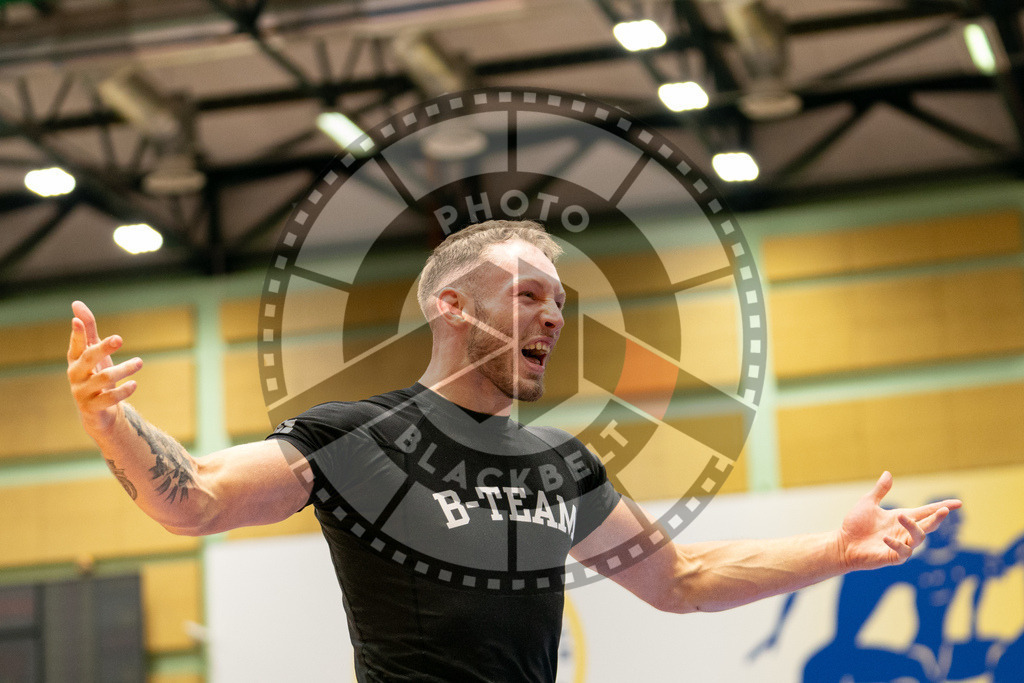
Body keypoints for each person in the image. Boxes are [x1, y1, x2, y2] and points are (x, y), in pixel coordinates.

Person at [67, 219, 961, 682]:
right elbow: (198, 498)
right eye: (530, 294)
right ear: (451, 306)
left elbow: (680, 578)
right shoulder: (356, 436)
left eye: (561, 301)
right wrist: (111, 420)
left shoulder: (559, 464)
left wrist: (838, 552)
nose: (554, 316)